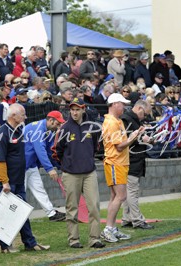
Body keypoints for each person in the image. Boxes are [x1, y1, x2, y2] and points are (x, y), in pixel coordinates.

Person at [0, 103, 50, 252]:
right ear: (14, 116)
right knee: (7, 213)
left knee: (22, 211)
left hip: (18, 179)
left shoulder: (18, 131)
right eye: (23, 114)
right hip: (9, 181)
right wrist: (4, 182)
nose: (25, 117)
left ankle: (29, 242)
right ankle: (5, 245)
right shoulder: (2, 132)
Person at [54, 98, 105, 249]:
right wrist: (66, 165)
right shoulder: (64, 128)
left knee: (94, 206)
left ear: (83, 109)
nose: (75, 112)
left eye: (78, 109)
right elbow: (57, 150)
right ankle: (73, 239)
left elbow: (97, 147)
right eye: (72, 109)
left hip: (89, 172)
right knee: (72, 208)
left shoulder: (93, 127)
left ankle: (94, 238)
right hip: (71, 174)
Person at [101, 93, 145, 242]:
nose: (124, 107)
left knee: (115, 196)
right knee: (121, 196)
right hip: (116, 162)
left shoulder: (116, 121)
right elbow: (119, 146)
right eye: (122, 104)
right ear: (114, 104)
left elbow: (120, 142)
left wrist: (133, 135)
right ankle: (108, 228)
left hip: (119, 163)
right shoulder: (112, 122)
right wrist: (133, 138)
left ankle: (112, 228)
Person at [24, 111, 66, 221]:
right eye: (58, 123)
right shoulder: (39, 128)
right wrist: (49, 168)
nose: (59, 125)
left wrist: (59, 165)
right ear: (51, 120)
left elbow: (50, 151)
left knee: (39, 189)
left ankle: (51, 213)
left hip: (30, 164)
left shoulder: (47, 130)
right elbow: (40, 150)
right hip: (21, 166)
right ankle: (16, 218)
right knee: (19, 193)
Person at [120, 100, 155, 230]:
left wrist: (147, 139)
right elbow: (124, 141)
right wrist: (141, 138)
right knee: (132, 192)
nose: (145, 117)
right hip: (131, 160)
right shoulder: (126, 120)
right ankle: (137, 220)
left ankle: (127, 218)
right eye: (145, 114)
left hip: (134, 160)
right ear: (139, 108)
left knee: (129, 191)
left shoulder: (131, 120)